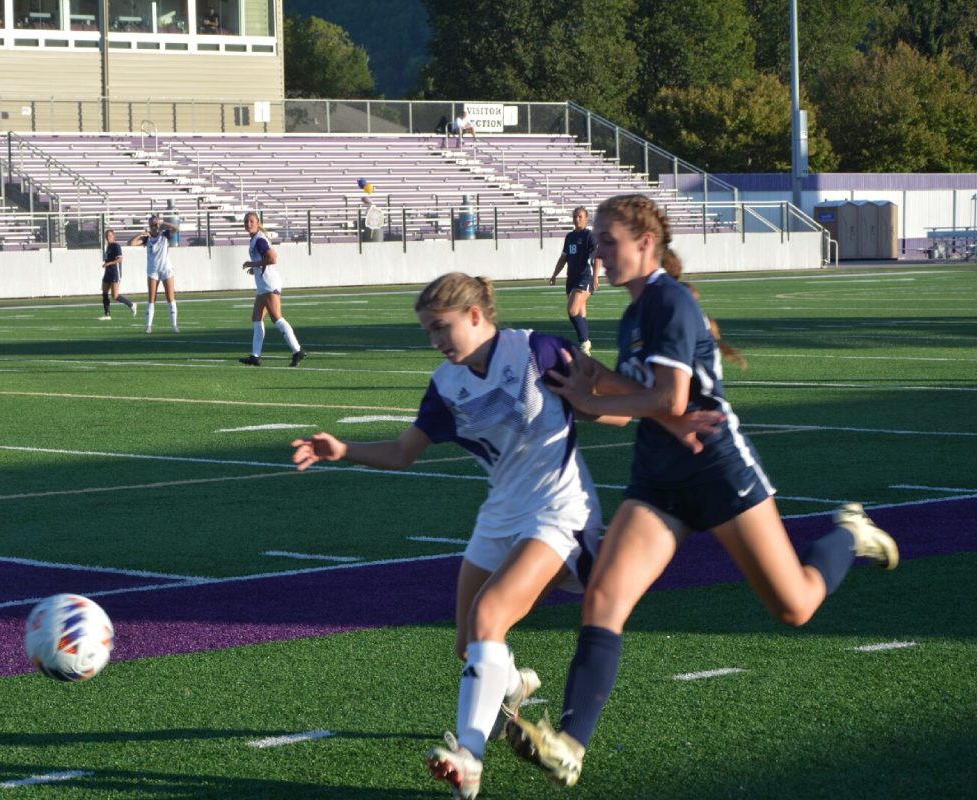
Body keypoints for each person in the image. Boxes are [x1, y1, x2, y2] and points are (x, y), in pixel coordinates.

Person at [505, 194, 900, 789]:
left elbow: (671, 401)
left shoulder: (668, 301)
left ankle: (851, 536)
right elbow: (650, 402)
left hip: (715, 468)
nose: (600, 253)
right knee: (604, 600)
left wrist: (594, 397)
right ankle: (570, 744)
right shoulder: (638, 311)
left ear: (645, 243)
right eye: (599, 241)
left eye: (610, 241)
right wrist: (593, 385)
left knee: (794, 606)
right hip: (659, 477)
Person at [291, 272, 721, 799]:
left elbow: (614, 400)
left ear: (476, 315)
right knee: (467, 645)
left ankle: (469, 760)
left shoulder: (538, 350)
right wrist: (345, 449)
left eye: (443, 327)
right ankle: (513, 686)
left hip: (559, 512)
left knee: (488, 618)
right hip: (499, 515)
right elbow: (404, 452)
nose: (437, 341)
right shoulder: (446, 385)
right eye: (429, 332)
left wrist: (670, 419)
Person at [238, 211, 306, 367]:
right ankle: (255, 356)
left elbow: (273, 258)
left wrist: (252, 264)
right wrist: (254, 268)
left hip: (269, 284)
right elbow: (263, 260)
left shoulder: (259, 239)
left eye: (251, 221)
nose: (248, 224)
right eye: (246, 221)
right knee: (256, 318)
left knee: (276, 318)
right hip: (263, 284)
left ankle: (297, 351)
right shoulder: (255, 238)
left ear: (257, 222)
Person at [548, 206, 600, 355]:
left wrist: (596, 276)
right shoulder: (569, 237)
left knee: (572, 310)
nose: (577, 219)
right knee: (580, 314)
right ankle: (586, 347)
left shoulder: (590, 236)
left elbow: (597, 257)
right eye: (575, 217)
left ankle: (584, 342)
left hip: (585, 278)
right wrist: (554, 275)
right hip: (571, 279)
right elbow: (563, 258)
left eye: (580, 217)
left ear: (586, 218)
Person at [128, 215, 179, 334]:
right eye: (152, 225)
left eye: (156, 225)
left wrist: (164, 222)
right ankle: (148, 326)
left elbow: (176, 229)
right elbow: (131, 243)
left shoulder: (165, 234)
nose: (155, 227)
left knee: (170, 297)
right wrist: (142, 233)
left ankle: (174, 325)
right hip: (153, 271)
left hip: (166, 269)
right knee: (151, 299)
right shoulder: (147, 238)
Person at [97, 229, 136, 321]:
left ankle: (131, 304)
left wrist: (109, 263)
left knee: (115, 296)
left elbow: (120, 259)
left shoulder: (116, 246)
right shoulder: (108, 247)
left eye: (110, 235)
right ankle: (107, 315)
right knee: (104, 292)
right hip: (108, 272)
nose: (108, 237)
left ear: (114, 236)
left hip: (115, 273)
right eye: (107, 236)